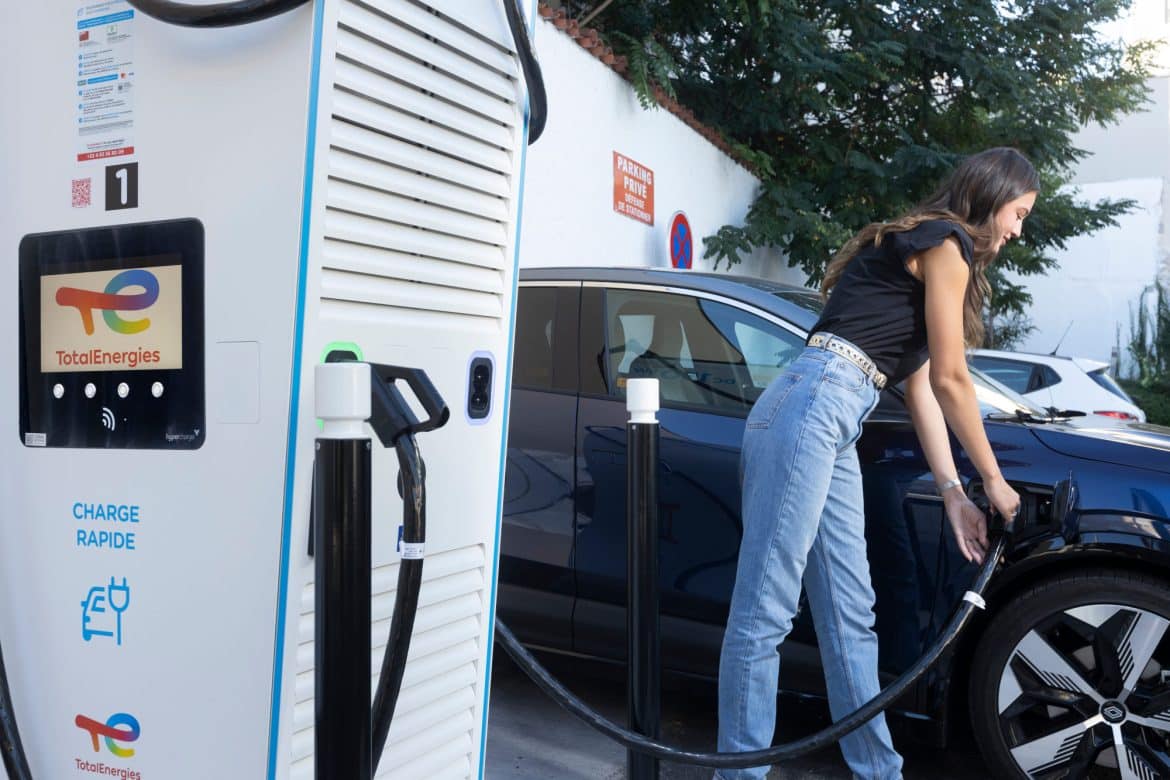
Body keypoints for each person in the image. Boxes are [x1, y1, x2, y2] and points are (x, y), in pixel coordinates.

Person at [715, 147, 1033, 780]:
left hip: (833, 416)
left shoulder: (926, 250)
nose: (1017, 231)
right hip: (813, 401)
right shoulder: (946, 243)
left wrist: (953, 493)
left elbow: (918, 386)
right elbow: (951, 379)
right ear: (991, 196)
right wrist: (993, 481)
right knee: (766, 611)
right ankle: (738, 774)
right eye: (1018, 213)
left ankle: (878, 772)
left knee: (850, 615)